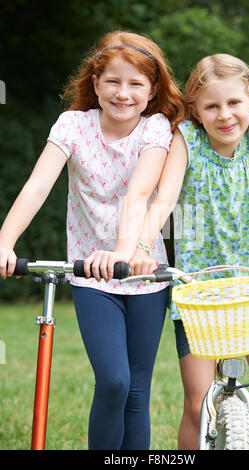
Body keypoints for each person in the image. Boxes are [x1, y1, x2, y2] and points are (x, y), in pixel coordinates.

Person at [0, 30, 185, 450]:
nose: (123, 93)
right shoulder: (73, 126)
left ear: (153, 89)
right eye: (113, 82)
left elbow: (140, 193)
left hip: (142, 271)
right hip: (90, 275)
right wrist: (5, 241)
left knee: (137, 392)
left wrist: (124, 252)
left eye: (136, 83)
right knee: (115, 381)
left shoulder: (156, 129)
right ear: (95, 82)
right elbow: (37, 186)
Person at [130, 53, 249, 450]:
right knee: (197, 405)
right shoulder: (185, 140)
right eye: (212, 106)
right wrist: (141, 246)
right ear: (197, 111)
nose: (224, 115)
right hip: (196, 293)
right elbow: (163, 201)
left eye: (234, 103)